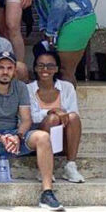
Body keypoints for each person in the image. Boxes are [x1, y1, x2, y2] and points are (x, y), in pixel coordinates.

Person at [0, 51, 63, 212]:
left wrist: (17, 136)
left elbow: (26, 119)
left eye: (9, 68)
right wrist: (0, 137)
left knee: (43, 137)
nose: (5, 72)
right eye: (1, 68)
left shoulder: (20, 87)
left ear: (15, 70)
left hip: (14, 134)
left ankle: (47, 192)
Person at [28, 44, 85, 183]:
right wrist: (52, 111)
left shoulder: (67, 87)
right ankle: (45, 167)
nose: (45, 69)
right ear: (35, 68)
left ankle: (70, 166)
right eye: (41, 66)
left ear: (57, 69)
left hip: (64, 138)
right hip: (39, 138)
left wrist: (61, 115)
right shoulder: (28, 89)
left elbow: (73, 113)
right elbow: (32, 117)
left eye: (50, 66)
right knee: (52, 118)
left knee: (73, 117)